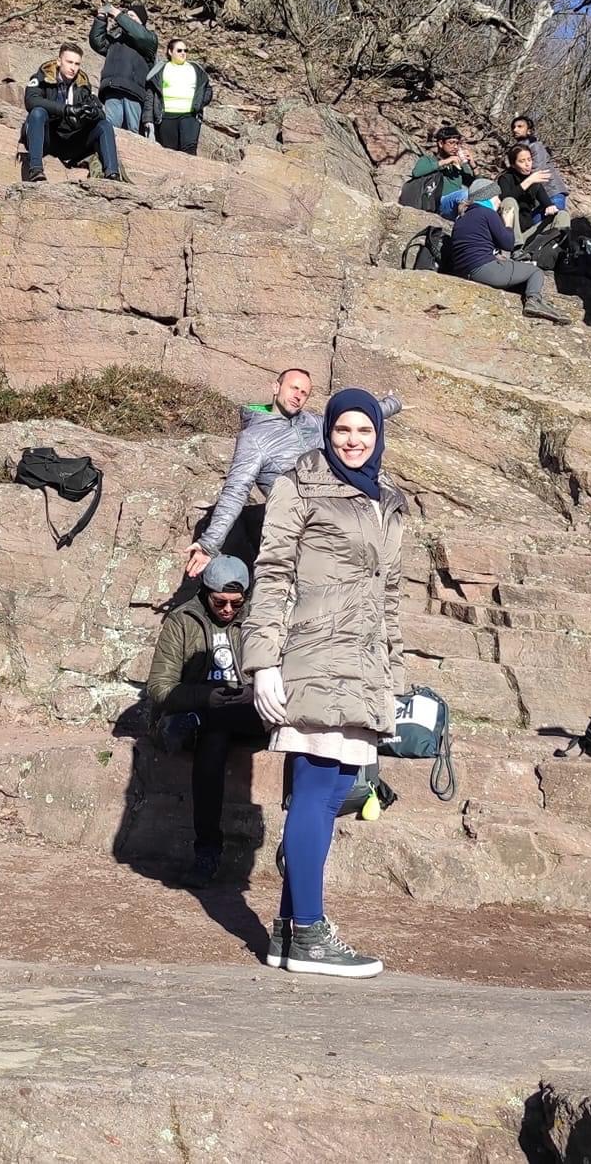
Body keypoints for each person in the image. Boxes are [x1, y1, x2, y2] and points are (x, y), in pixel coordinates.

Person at [243, 390, 408, 977]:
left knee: (339, 788)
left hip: (362, 667)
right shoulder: (298, 484)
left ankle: (290, 930)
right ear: (328, 431)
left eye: (365, 430)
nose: (354, 440)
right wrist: (261, 660)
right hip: (310, 656)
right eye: (343, 428)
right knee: (316, 787)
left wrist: (394, 676)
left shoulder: (389, 499)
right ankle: (309, 932)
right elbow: (273, 572)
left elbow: (390, 597)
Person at [186, 370, 401, 579]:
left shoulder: (314, 423)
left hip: (340, 516)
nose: (298, 396)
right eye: (294, 388)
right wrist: (210, 544)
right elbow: (236, 491)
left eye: (304, 393)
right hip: (300, 530)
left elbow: (358, 415)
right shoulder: (254, 438)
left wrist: (393, 404)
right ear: (276, 387)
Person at [148, 555, 264, 886]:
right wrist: (205, 697)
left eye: (235, 603)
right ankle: (207, 852)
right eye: (220, 602)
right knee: (214, 733)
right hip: (207, 711)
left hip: (248, 711)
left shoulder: (256, 620)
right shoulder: (183, 620)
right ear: (205, 592)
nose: (228, 610)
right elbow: (160, 686)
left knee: (221, 721)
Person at [446, 179, 571, 322]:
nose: (499, 202)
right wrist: (508, 222)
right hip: (484, 270)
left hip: (463, 271)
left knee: (520, 280)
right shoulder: (487, 213)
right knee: (535, 272)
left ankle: (533, 297)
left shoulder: (462, 216)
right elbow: (508, 243)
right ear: (488, 197)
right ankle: (534, 301)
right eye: (497, 197)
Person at [22, 41, 124, 183]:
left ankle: (113, 175)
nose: (73, 68)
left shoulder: (82, 84)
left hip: (71, 140)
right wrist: (66, 110)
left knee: (104, 125)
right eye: (69, 62)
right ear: (59, 61)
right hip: (48, 138)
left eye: (77, 64)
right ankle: (35, 169)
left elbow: (100, 112)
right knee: (38, 112)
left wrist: (93, 113)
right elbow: (31, 101)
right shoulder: (42, 78)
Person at [89, 1, 158, 134]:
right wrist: (101, 18)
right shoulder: (116, 39)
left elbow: (139, 34)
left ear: (142, 22)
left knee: (132, 131)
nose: (127, 18)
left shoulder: (149, 40)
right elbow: (97, 42)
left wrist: (118, 14)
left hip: (134, 91)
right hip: (112, 87)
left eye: (132, 16)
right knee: (110, 129)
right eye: (127, 15)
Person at [147, 36, 213, 154]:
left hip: (190, 116)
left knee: (189, 150)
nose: (183, 53)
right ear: (170, 52)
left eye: (185, 50)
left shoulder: (195, 68)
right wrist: (148, 118)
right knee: (169, 152)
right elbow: (151, 95)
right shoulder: (160, 69)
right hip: (166, 117)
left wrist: (200, 104)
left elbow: (207, 88)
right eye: (179, 50)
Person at [403, 125, 478, 217]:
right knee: (464, 194)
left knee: (482, 196)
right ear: (441, 144)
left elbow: (477, 185)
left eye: (457, 143)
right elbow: (417, 172)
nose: (455, 147)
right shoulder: (429, 160)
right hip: (437, 202)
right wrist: (446, 161)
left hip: (456, 202)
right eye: (451, 143)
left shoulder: (459, 164)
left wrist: (473, 165)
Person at [496, 143, 561, 240]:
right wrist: (528, 181)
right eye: (522, 161)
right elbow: (506, 200)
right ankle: (516, 245)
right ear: (513, 165)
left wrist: (550, 207)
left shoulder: (534, 179)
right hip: (511, 232)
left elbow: (546, 202)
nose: (527, 164)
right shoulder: (505, 178)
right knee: (510, 202)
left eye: (529, 160)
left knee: (561, 215)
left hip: (529, 228)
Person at [508, 115, 568, 213]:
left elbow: (536, 172)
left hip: (551, 192)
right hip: (538, 198)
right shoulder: (516, 150)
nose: (515, 129)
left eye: (520, 126)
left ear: (529, 130)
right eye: (513, 127)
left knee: (555, 223)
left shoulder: (535, 146)